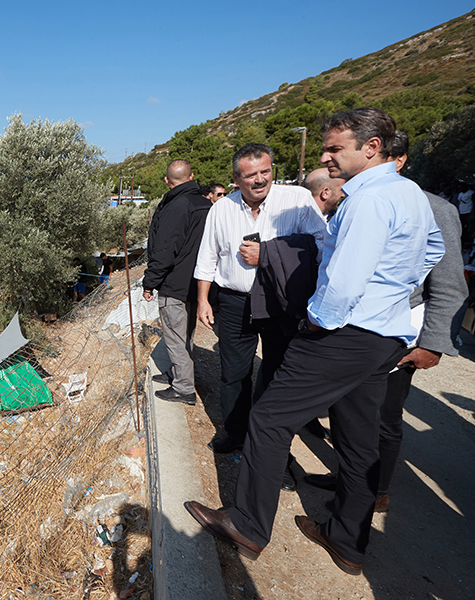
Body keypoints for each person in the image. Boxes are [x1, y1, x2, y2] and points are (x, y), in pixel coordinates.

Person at [186, 108, 444, 576]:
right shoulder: (409, 193)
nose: (326, 158)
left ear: (371, 147)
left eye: (333, 149)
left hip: (341, 334)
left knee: (267, 418)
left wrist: (316, 322)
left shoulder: (366, 201)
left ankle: (246, 523)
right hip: (385, 336)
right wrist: (392, 292)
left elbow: (343, 283)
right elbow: (433, 251)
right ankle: (347, 542)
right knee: (359, 442)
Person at [304, 130, 468, 513]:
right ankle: (350, 478)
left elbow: (447, 283)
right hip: (351, 331)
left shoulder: (433, 208)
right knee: (349, 414)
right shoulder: (355, 199)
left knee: (384, 417)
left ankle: (374, 491)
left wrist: (433, 342)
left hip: (396, 332)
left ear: (399, 160)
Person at [193, 143, 326, 458]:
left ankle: (270, 449)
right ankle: (236, 433)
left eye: (265, 171)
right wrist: (203, 300)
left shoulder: (297, 201)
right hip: (234, 302)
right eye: (250, 175)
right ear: (236, 178)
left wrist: (270, 253)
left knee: (279, 374)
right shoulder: (222, 209)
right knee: (233, 373)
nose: (260, 180)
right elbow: (207, 257)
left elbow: (321, 245)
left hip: (281, 301)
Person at [142, 159, 213, 405]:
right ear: (192, 176)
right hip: (199, 282)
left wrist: (149, 282)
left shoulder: (175, 206)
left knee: (174, 336)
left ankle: (183, 388)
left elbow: (165, 250)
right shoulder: (206, 204)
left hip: (175, 283)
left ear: (166, 180)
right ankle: (178, 374)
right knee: (187, 335)